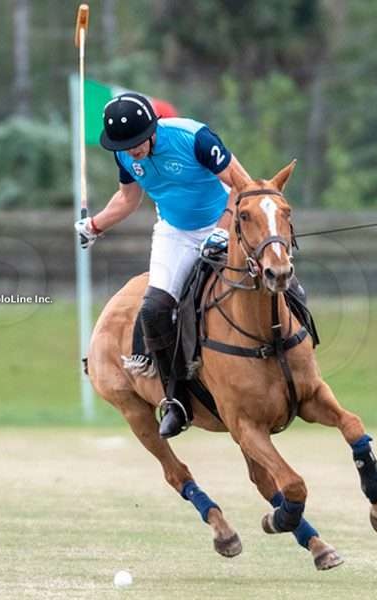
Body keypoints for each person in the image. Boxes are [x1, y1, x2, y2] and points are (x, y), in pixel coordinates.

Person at [74, 92, 251, 439]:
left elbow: (242, 184)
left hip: (225, 222)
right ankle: (176, 398)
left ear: (153, 129)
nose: (132, 150)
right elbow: (128, 198)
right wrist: (95, 225)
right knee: (155, 308)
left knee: (275, 277)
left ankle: (295, 353)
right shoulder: (125, 155)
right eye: (124, 145)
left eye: (137, 142)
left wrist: (221, 231)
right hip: (175, 232)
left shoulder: (194, 138)